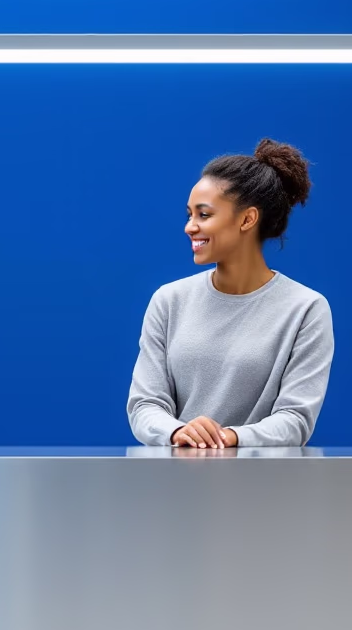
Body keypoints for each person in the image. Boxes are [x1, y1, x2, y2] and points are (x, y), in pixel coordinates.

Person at [127, 140, 334, 449]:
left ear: (247, 219)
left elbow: (296, 419)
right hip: (176, 483)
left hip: (264, 487)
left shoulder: (305, 309)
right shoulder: (169, 300)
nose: (189, 227)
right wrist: (177, 432)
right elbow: (145, 405)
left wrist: (226, 438)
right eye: (189, 215)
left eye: (204, 215)